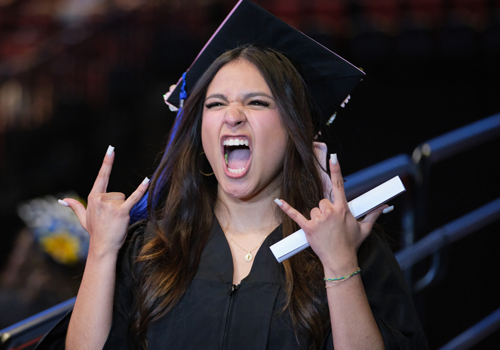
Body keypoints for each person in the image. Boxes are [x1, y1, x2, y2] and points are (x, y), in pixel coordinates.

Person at [36, 2, 428, 349]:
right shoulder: (152, 248)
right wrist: (102, 251)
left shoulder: (346, 245)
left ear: (296, 129)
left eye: (257, 102)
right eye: (216, 103)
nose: (233, 114)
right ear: (199, 128)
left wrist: (339, 262)